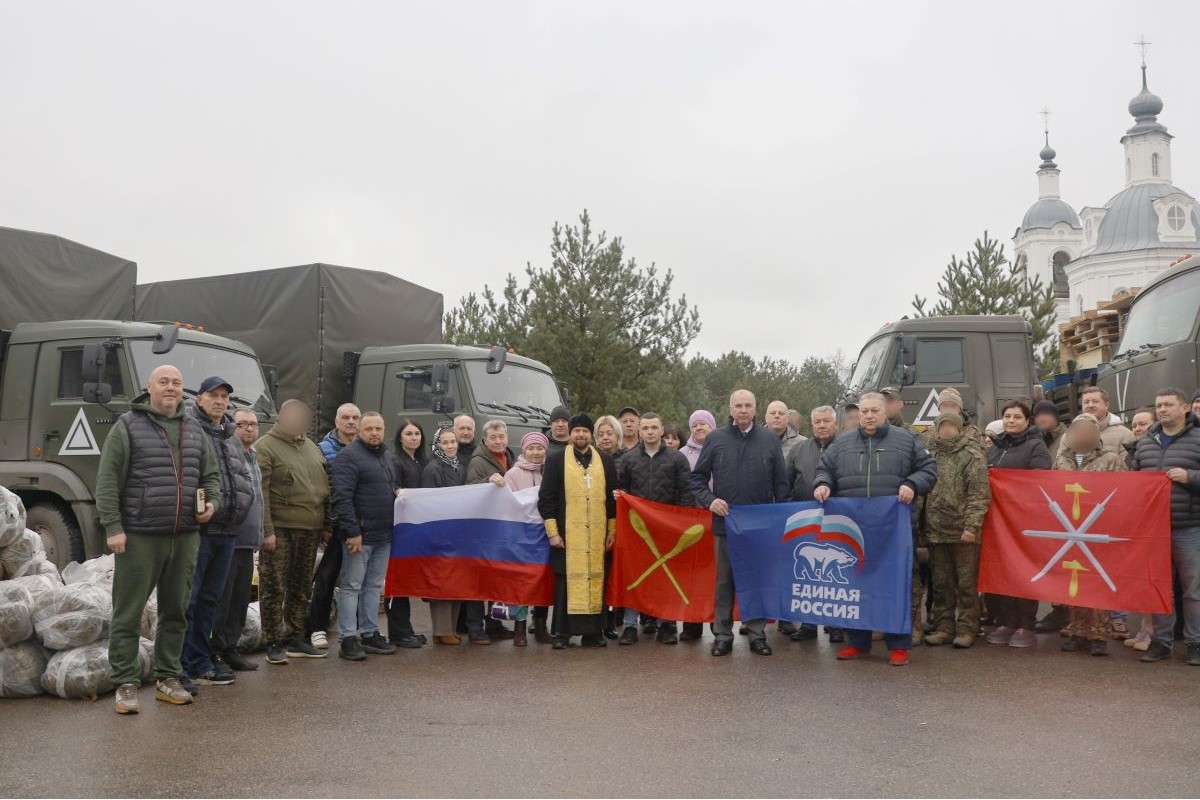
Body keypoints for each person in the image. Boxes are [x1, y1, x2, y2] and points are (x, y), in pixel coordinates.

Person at [96, 365, 220, 714]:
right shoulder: (128, 427)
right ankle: (125, 683)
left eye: (177, 383)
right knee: (129, 611)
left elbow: (211, 477)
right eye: (163, 382)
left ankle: (168, 677)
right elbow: (108, 480)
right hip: (139, 536)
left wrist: (212, 503)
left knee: (176, 610)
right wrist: (113, 527)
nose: (170, 387)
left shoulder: (194, 429)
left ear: (183, 390)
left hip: (185, 536)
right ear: (149, 387)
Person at [814, 392, 937, 666]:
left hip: (893, 530)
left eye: (874, 411)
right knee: (855, 585)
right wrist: (822, 485)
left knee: (895, 585)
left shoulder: (906, 440)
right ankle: (858, 642)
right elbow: (824, 470)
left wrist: (913, 484)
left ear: (885, 413)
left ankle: (898, 645)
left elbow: (929, 468)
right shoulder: (841, 444)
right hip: (853, 530)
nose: (869, 416)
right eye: (865, 411)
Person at [690, 390, 789, 657]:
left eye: (748, 406)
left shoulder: (769, 440)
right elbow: (697, 479)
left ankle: (756, 634)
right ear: (730, 409)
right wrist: (710, 500)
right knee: (724, 582)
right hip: (725, 524)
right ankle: (722, 635)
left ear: (755, 409)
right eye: (738, 406)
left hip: (760, 528)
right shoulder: (716, 438)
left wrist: (780, 521)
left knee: (756, 580)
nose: (743, 410)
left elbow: (781, 484)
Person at [183, 377, 253, 689]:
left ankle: (202, 661)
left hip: (228, 530)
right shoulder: (189, 430)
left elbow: (241, 475)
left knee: (211, 600)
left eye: (225, 396)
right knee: (190, 600)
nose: (220, 401)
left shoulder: (230, 434)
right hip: (201, 530)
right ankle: (182, 665)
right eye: (213, 395)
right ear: (199, 399)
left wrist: (243, 502)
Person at [257, 399, 332, 665]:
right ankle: (273, 641)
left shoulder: (312, 448)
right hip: (280, 529)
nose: (297, 422)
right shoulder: (265, 447)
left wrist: (326, 524)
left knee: (301, 587)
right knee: (273, 586)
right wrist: (267, 530)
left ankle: (296, 636)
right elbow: (261, 493)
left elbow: (324, 487)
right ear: (281, 417)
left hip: (310, 529)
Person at [1131, 387, 1200, 666]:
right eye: (1159, 405)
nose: (1162, 409)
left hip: (1189, 527)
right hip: (1154, 531)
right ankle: (1161, 642)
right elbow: (1134, 481)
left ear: (1185, 408)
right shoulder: (1146, 441)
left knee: (1193, 590)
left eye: (1169, 405)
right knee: (1158, 587)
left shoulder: (1198, 438)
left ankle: (1195, 642)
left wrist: (1191, 476)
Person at [538, 413, 618, 649]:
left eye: (585, 431)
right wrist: (553, 532)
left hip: (597, 535)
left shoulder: (605, 460)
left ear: (591, 434)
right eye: (577, 431)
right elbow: (547, 499)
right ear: (570, 434)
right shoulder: (555, 460)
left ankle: (594, 633)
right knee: (566, 584)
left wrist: (611, 531)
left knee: (596, 580)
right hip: (567, 536)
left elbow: (612, 500)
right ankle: (562, 633)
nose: (581, 435)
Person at [615, 412, 693, 645]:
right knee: (634, 574)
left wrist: (680, 524)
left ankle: (666, 624)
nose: (649, 432)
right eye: (645, 428)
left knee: (665, 578)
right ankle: (630, 625)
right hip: (636, 529)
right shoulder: (628, 460)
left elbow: (685, 493)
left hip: (666, 528)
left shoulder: (677, 459)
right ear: (639, 431)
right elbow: (623, 491)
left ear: (661, 431)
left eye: (654, 428)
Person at [1052, 413, 1126, 657]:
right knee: (1072, 581)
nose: (1082, 436)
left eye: (1087, 432)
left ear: (1096, 436)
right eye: (1077, 431)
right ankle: (1077, 630)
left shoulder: (1111, 459)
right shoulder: (1061, 460)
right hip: (1070, 530)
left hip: (1097, 530)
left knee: (1096, 582)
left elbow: (1124, 492)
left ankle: (1098, 635)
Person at [329, 412, 399, 661]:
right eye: (369, 428)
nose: (374, 433)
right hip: (360, 536)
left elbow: (390, 489)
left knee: (372, 587)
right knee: (351, 587)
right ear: (359, 430)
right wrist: (353, 531)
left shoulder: (387, 458)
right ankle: (348, 638)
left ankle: (370, 633)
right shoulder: (348, 457)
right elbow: (341, 497)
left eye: (378, 428)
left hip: (384, 535)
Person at [984, 400, 1051, 649]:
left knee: (1023, 572)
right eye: (1007, 417)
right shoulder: (994, 448)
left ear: (1027, 421)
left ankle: (1026, 624)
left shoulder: (1036, 447)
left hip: (1024, 521)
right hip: (998, 521)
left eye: (1016, 417)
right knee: (1002, 571)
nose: (1011, 421)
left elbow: (1040, 482)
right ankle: (1007, 621)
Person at [921, 412, 990, 649]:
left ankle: (966, 629)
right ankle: (944, 628)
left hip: (964, 533)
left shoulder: (971, 455)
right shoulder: (930, 454)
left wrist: (972, 526)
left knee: (966, 585)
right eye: (943, 426)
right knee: (941, 584)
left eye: (951, 426)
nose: (947, 430)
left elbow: (979, 495)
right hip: (936, 531)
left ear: (959, 428)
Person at [786, 405, 845, 644]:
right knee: (809, 577)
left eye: (826, 421)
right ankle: (809, 624)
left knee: (835, 574)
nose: (822, 425)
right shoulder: (799, 450)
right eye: (817, 421)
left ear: (835, 424)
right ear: (812, 425)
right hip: (806, 521)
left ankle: (837, 624)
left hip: (838, 522)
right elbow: (785, 483)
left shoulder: (846, 448)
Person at [211, 407, 264, 674]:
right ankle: (215, 652)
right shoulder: (229, 455)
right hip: (229, 537)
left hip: (248, 541)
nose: (249, 429)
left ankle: (231, 648)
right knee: (223, 599)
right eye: (242, 424)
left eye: (254, 424)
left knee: (240, 600)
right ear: (233, 426)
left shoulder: (254, 456)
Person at [306, 402, 361, 651]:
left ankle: (355, 628)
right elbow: (320, 489)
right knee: (326, 578)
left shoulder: (366, 448)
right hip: (335, 523)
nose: (351, 421)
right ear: (337, 421)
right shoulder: (322, 449)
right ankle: (317, 627)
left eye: (355, 417)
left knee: (356, 579)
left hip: (361, 524)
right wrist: (326, 523)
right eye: (346, 417)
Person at [463, 420, 518, 644]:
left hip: (502, 527)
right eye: (493, 437)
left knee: (496, 579)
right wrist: (488, 481)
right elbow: (471, 490)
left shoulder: (511, 458)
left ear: (506, 437)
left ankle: (494, 623)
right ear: (485, 439)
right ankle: (475, 628)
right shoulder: (478, 461)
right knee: (479, 581)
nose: (498, 441)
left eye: (501, 437)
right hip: (483, 530)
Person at [502, 431, 550, 646]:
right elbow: (506, 504)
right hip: (521, 535)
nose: (535, 452)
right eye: (531, 448)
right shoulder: (512, 474)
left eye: (539, 448)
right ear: (524, 450)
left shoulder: (552, 470)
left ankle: (540, 625)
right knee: (521, 581)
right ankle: (519, 626)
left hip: (545, 533)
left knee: (543, 579)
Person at [421, 427, 468, 644]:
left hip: (457, 532)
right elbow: (431, 504)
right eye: (445, 442)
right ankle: (441, 630)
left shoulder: (458, 466)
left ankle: (449, 628)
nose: (450, 446)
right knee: (442, 581)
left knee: (455, 580)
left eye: (453, 442)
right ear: (437, 445)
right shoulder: (433, 469)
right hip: (441, 533)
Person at [385, 419, 426, 649]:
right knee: (397, 579)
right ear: (400, 437)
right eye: (408, 433)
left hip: (415, 528)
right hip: (399, 527)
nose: (413, 437)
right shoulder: (394, 460)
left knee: (407, 579)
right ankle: (398, 632)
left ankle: (406, 629)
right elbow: (393, 488)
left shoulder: (421, 461)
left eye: (417, 433)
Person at [679, 409, 717, 642]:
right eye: (694, 425)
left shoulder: (721, 448)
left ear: (712, 426)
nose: (699, 428)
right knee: (690, 575)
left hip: (716, 518)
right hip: (690, 520)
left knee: (714, 575)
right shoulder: (682, 454)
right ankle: (691, 625)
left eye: (703, 423)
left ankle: (716, 623)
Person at [1080, 387, 1134, 456]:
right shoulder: (1069, 437)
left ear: (1106, 405)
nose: (1090, 405)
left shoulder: (1125, 435)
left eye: (1095, 401)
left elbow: (1125, 466)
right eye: (1086, 402)